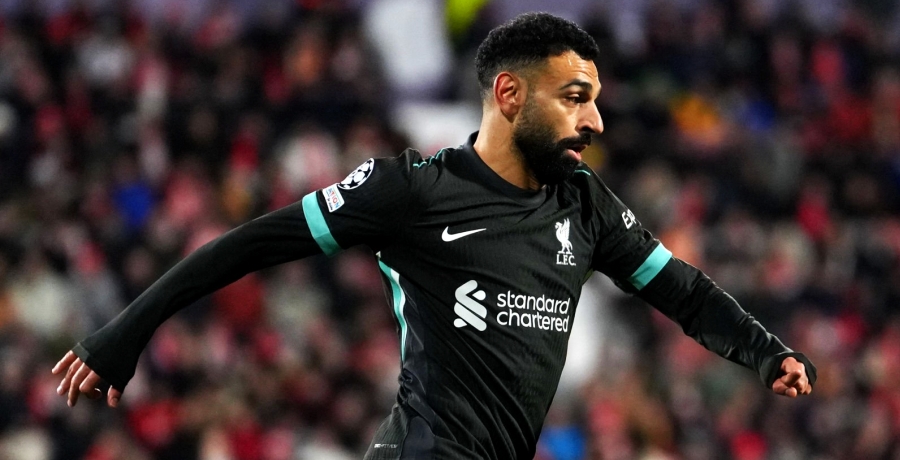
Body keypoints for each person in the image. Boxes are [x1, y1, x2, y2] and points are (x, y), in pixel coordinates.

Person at [53, 12, 816, 460]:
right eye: (575, 98)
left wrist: (765, 351)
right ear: (509, 95)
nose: (595, 120)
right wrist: (125, 332)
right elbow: (249, 244)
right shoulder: (412, 189)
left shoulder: (585, 205)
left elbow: (683, 291)